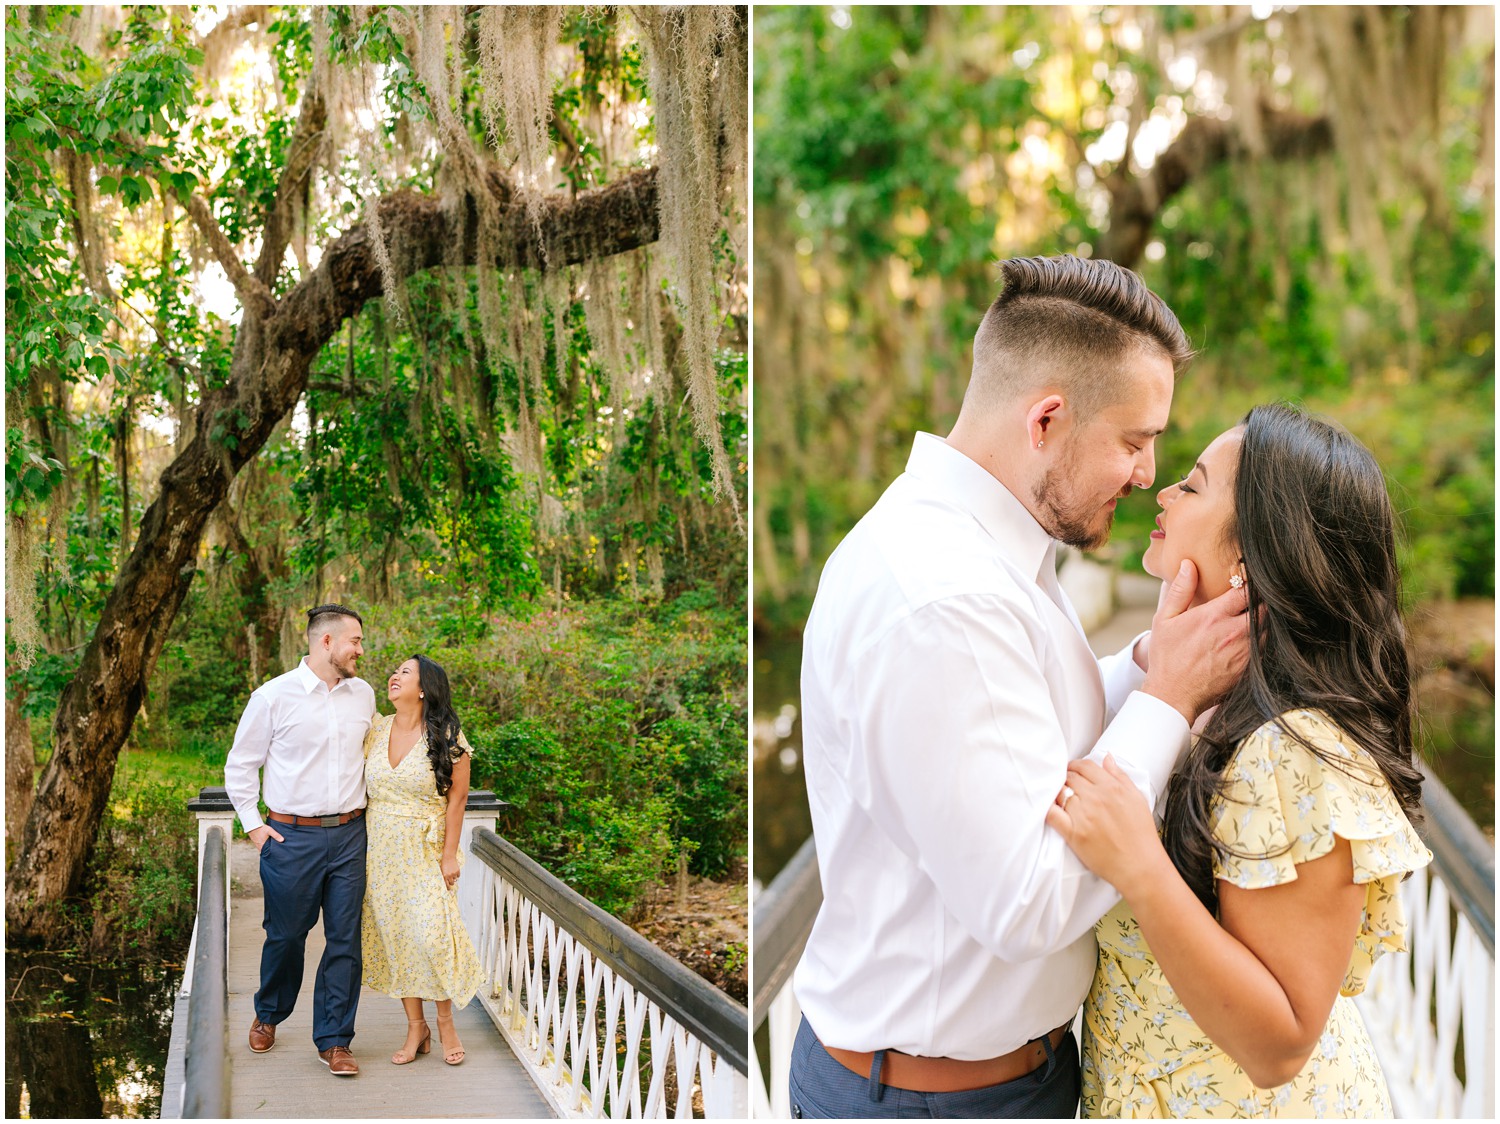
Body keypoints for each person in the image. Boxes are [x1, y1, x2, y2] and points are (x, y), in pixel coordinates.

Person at [788, 255, 1253, 1119]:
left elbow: (1029, 731)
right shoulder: (944, 599)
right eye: (1134, 440)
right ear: (1047, 419)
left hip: (1007, 1078)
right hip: (935, 1100)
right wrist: (1168, 706)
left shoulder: (988, 550)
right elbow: (1029, 903)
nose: (1149, 473)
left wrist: (1153, 664)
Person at [1048, 404, 1431, 1119]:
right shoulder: (1208, 703)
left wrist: (1139, 864)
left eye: (1191, 485)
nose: (1160, 492)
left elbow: (1280, 1042)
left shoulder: (1292, 752)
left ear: (1253, 553)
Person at [225, 603, 377, 1077]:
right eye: (355, 640)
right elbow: (240, 765)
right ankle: (269, 1013)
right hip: (290, 838)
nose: (361, 650)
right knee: (287, 936)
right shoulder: (273, 697)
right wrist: (254, 826)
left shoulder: (364, 695)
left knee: (344, 941)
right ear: (325, 642)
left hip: (352, 834)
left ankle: (335, 1040)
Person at [361, 654, 486, 1068]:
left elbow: (458, 797)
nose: (395, 677)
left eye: (405, 673)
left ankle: (445, 1021)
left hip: (424, 849)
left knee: (431, 935)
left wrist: (449, 854)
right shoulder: (376, 730)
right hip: (380, 849)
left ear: (423, 688)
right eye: (395, 671)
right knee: (397, 938)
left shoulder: (448, 735)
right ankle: (416, 1027)